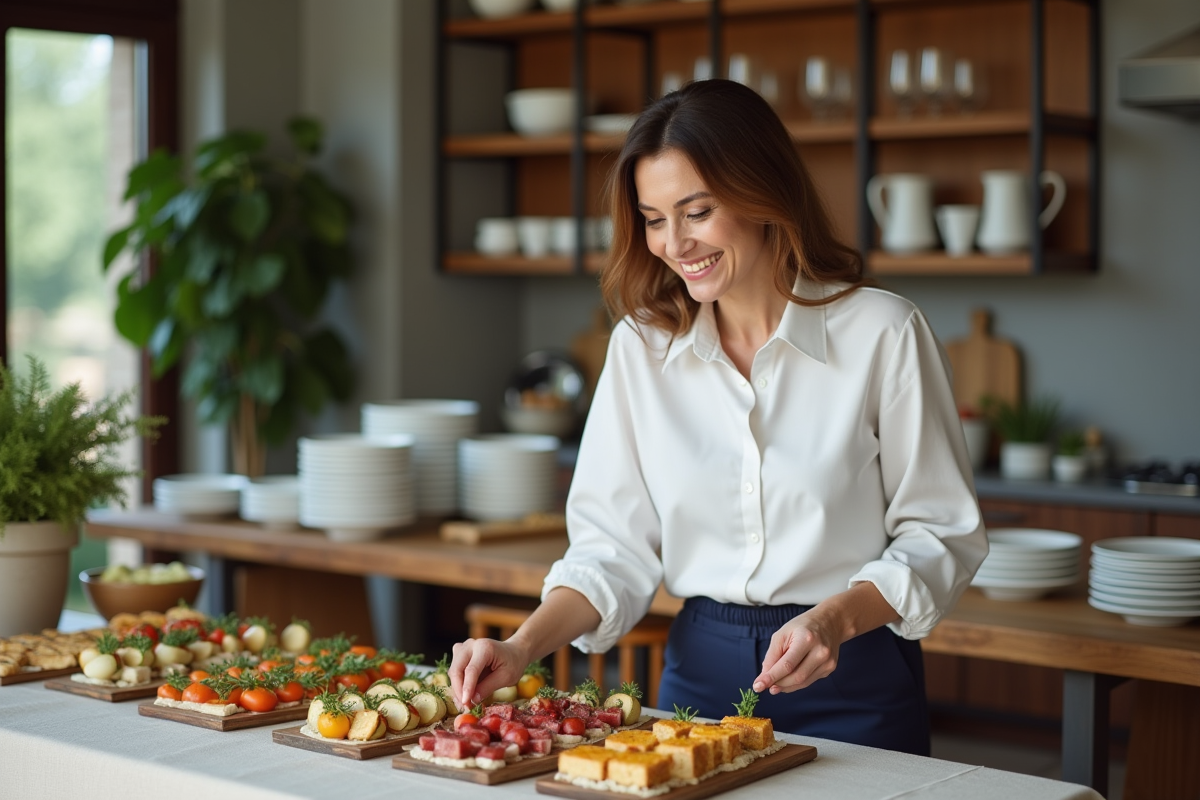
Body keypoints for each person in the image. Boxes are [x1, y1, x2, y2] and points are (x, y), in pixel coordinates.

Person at [449, 78, 987, 756]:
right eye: (652, 218)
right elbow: (610, 551)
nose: (675, 243)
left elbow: (941, 532)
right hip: (699, 677)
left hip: (853, 670)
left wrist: (834, 620)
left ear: (763, 191)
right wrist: (522, 647)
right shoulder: (641, 349)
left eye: (696, 211)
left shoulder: (883, 331)